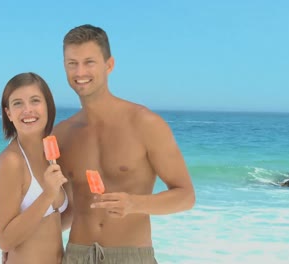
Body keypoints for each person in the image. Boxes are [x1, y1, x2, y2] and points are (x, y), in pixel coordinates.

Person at [53, 24, 196, 263]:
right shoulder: (62, 134)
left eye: (89, 62)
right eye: (72, 63)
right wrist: (26, 245)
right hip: (76, 254)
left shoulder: (144, 123)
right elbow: (69, 212)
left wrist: (134, 203)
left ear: (109, 65)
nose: (80, 72)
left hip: (130, 255)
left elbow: (186, 196)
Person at [0, 72, 69, 264]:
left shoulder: (53, 156)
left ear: (48, 107)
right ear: (8, 113)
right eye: (17, 103)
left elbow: (55, 221)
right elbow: (5, 240)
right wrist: (48, 195)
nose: (28, 110)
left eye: (35, 101)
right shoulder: (10, 162)